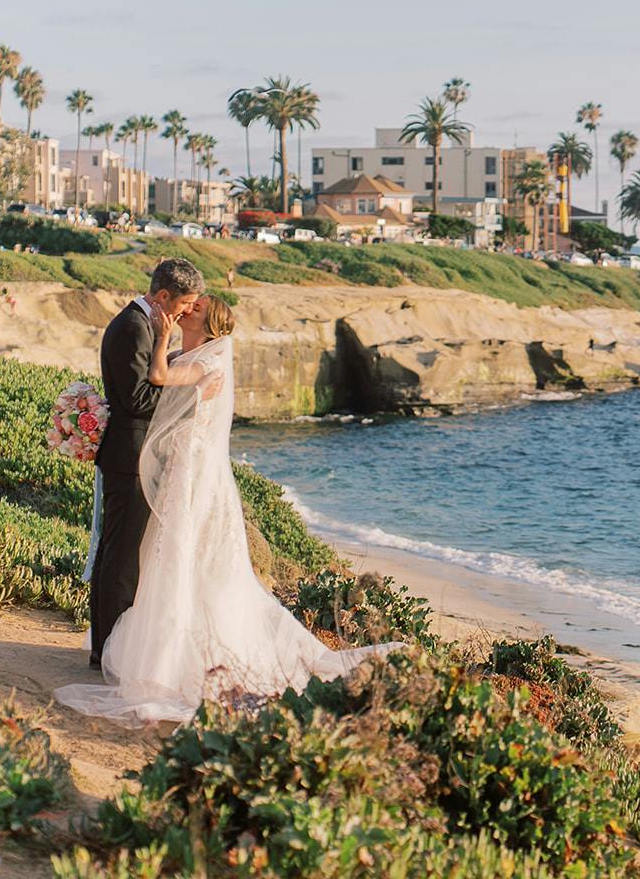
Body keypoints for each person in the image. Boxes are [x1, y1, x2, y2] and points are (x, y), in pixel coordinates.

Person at [56, 294, 397, 725]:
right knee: (165, 553)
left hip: (194, 470)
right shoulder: (188, 356)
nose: (187, 311)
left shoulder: (207, 363)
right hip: (179, 466)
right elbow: (152, 386)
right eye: (188, 305)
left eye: (195, 309)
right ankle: (160, 644)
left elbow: (158, 376)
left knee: (182, 553)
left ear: (210, 325)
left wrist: (161, 335)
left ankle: (175, 656)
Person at [86, 257, 205, 670]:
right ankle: (109, 650)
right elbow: (136, 399)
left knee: (118, 552)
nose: (184, 313)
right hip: (130, 455)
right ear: (163, 295)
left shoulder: (143, 324)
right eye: (182, 304)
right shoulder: (133, 327)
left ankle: (106, 647)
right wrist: (192, 395)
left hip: (133, 453)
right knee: (121, 556)